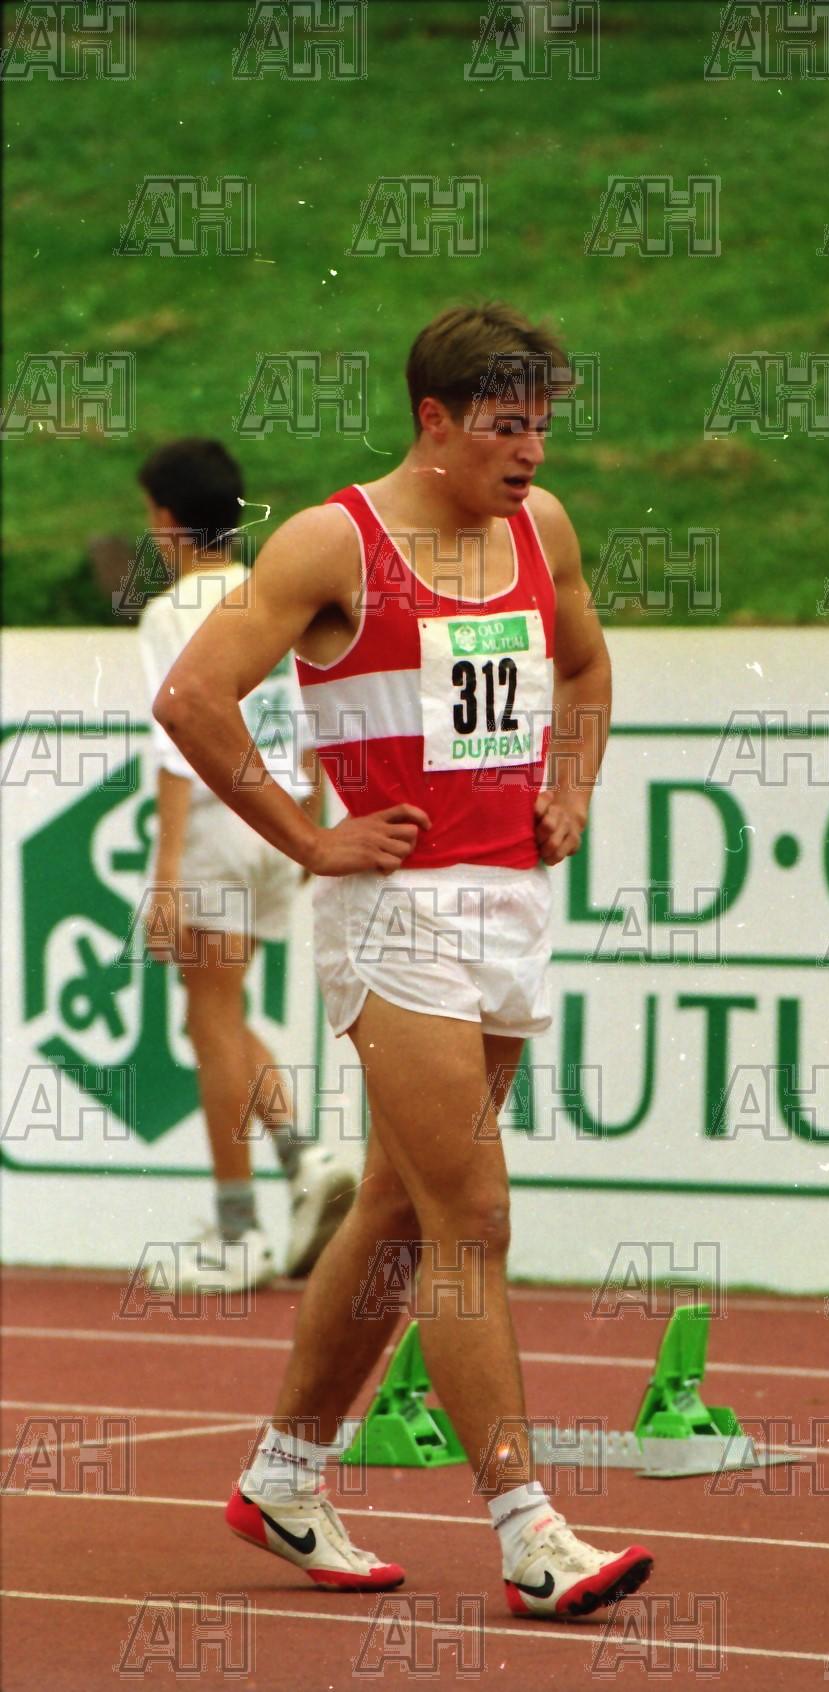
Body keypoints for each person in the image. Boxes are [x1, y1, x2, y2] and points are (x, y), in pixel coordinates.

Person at [151, 304, 653, 1619]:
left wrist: (572, 786)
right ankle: (531, 1534)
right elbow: (192, 699)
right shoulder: (336, 543)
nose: (531, 451)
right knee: (471, 1218)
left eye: (542, 426)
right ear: (434, 419)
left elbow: (587, 669)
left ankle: (281, 1479)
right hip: (396, 914)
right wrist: (309, 840)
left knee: (393, 1207)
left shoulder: (541, 530)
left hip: (510, 905)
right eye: (505, 427)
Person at [136, 439, 357, 1290]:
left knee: (209, 1019)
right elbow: (315, 718)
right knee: (217, 1017)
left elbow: (177, 740)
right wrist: (311, 825)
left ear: (167, 520)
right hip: (278, 820)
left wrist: (165, 876)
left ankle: (239, 1231)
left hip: (219, 820)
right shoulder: (274, 594)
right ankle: (305, 1157)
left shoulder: (172, 612)